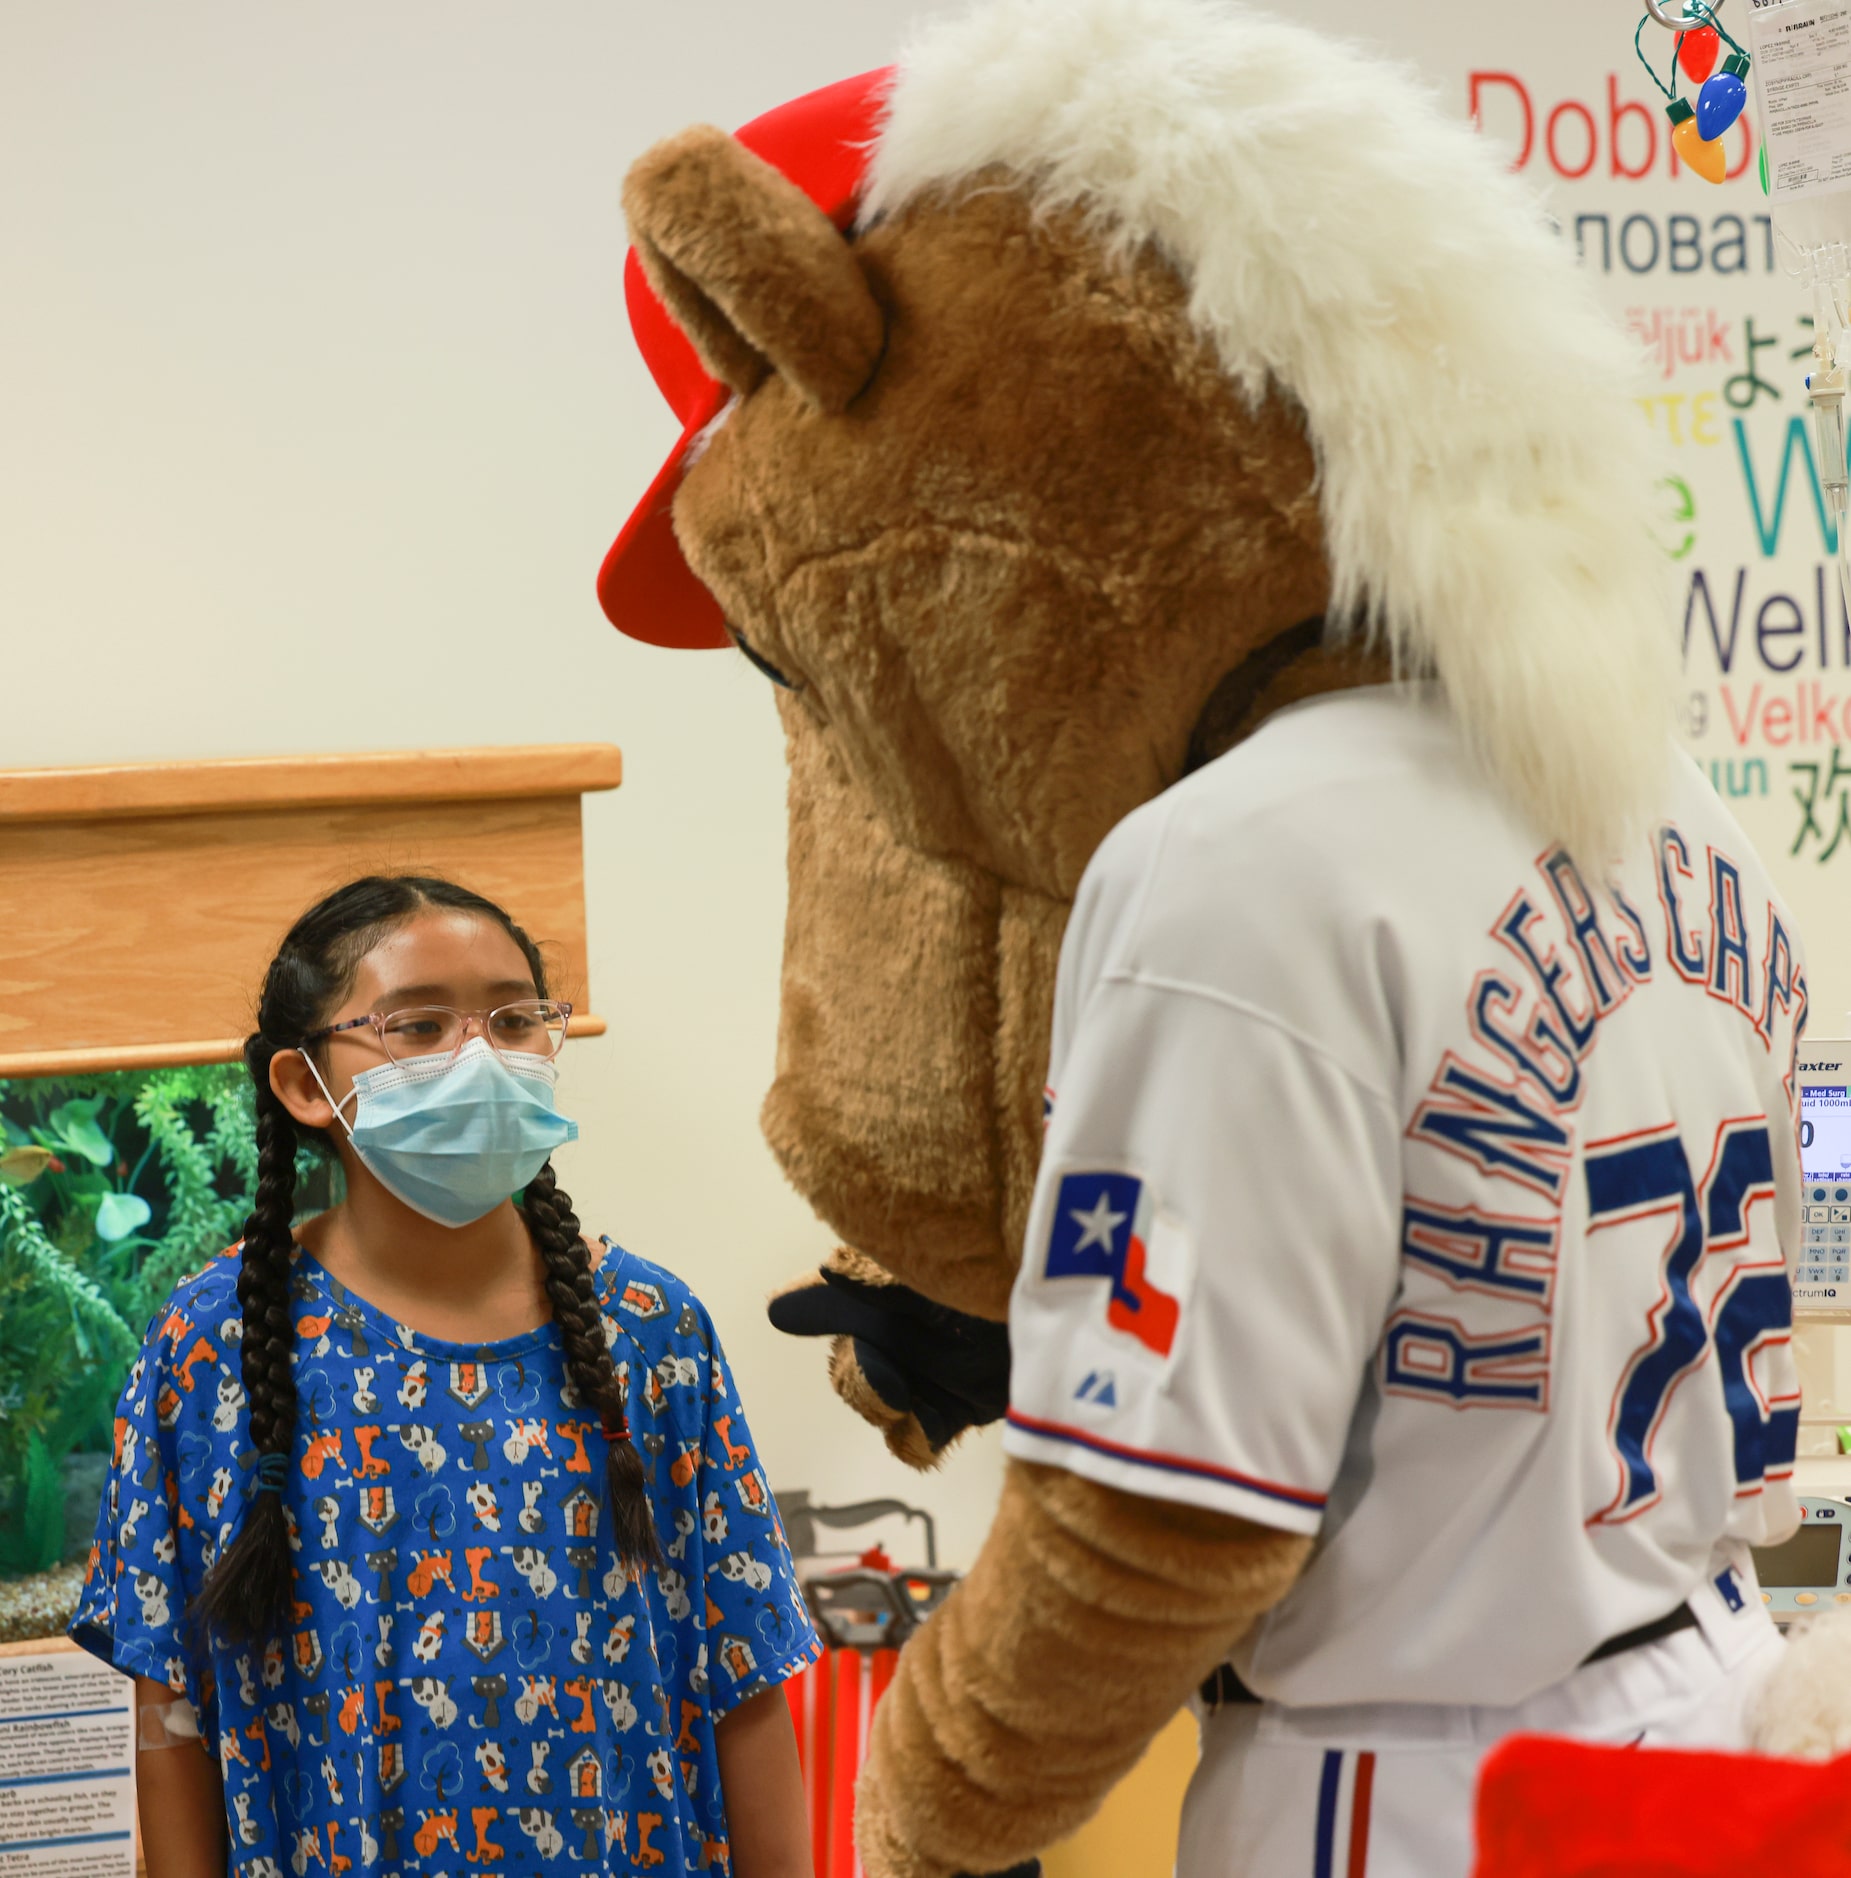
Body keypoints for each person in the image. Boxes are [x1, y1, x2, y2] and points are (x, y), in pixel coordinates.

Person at [71, 875, 817, 1878]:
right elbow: (169, 1713)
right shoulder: (207, 1351)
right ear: (303, 1086)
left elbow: (745, 1679)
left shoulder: (652, 1329)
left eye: (514, 1018)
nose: (481, 1058)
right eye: (418, 1027)